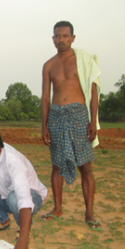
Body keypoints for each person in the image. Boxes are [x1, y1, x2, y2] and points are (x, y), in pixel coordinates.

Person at [41, 21, 102, 230]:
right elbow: (45, 97)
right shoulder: (49, 65)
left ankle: (89, 213)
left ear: (73, 38)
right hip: (56, 117)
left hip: (79, 116)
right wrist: (44, 125)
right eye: (57, 36)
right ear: (53, 39)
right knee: (57, 165)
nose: (61, 40)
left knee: (85, 166)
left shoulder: (84, 61)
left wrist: (92, 121)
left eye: (66, 36)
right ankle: (57, 208)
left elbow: (93, 93)